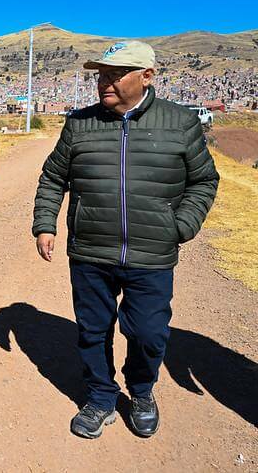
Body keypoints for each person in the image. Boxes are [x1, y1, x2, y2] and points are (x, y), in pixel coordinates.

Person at [32, 41, 219, 438]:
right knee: (93, 330)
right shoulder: (79, 123)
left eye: (116, 75)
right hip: (90, 251)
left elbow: (204, 181)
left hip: (152, 253)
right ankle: (100, 398)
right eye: (101, 75)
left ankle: (141, 391)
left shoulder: (180, 122)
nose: (105, 82)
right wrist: (45, 222)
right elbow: (53, 178)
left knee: (148, 332)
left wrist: (180, 225)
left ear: (147, 76)